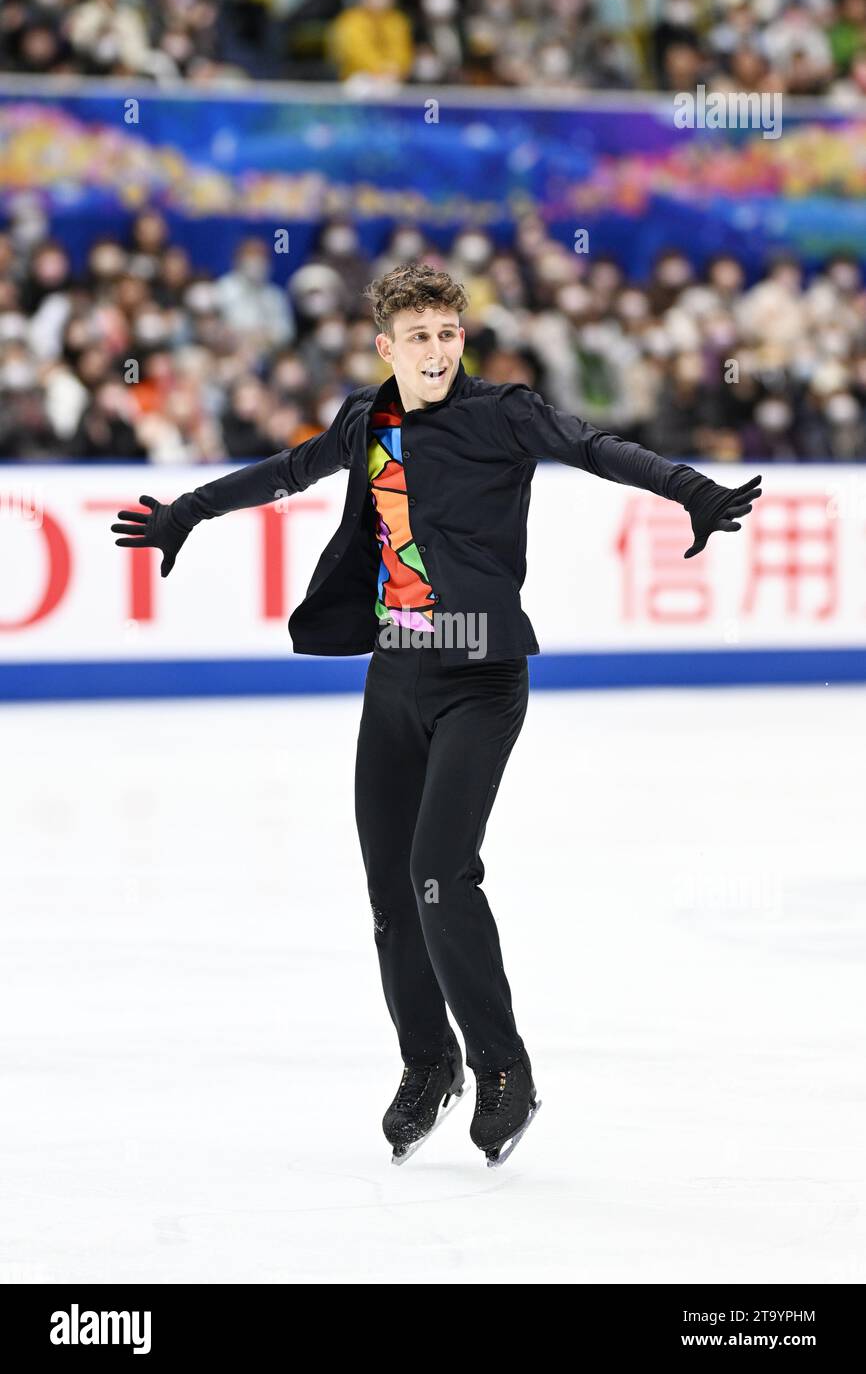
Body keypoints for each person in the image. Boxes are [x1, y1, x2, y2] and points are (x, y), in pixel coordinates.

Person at [111, 263, 762, 1167]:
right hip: (395, 676)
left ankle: (504, 1068)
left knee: (439, 875)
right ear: (387, 346)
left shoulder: (504, 413)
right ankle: (429, 1063)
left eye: (448, 334)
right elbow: (289, 471)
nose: (437, 350)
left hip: (481, 679)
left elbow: (597, 447)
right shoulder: (366, 420)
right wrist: (189, 510)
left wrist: (689, 487)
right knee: (390, 892)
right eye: (418, 336)